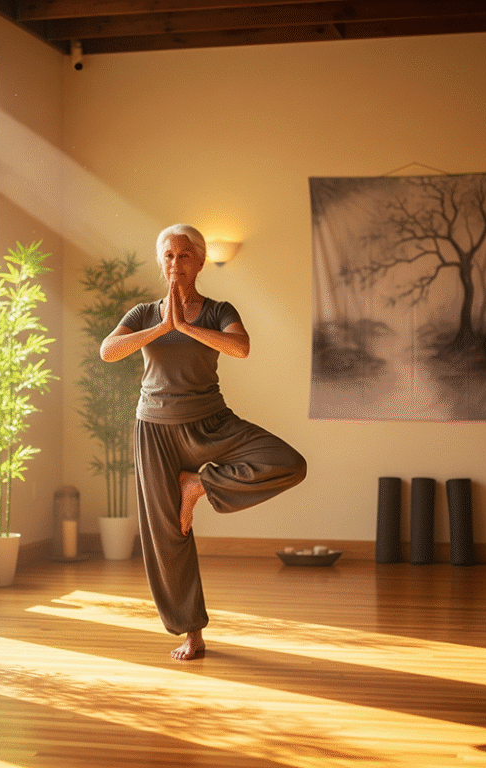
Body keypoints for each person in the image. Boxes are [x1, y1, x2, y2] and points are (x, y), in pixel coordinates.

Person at [100, 224, 307, 660]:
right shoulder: (142, 314)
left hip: (211, 425)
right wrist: (163, 327)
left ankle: (198, 485)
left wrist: (187, 327)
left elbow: (241, 347)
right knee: (168, 534)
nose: (176, 264)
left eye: (185, 256)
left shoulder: (217, 310)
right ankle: (191, 632)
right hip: (154, 431)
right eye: (169, 256)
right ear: (162, 262)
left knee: (288, 461)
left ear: (199, 261)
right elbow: (109, 350)